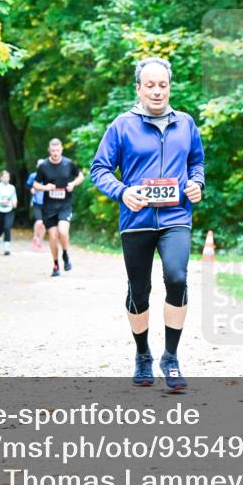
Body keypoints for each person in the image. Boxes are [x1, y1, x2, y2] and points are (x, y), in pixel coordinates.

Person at [90, 57, 205, 391]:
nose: (157, 91)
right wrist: (122, 192)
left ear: (170, 87)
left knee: (178, 277)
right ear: (138, 89)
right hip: (136, 220)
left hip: (176, 217)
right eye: (150, 85)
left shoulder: (185, 123)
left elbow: (196, 161)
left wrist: (197, 184)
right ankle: (142, 354)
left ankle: (171, 357)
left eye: (163, 85)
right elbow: (100, 169)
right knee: (139, 290)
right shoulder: (121, 126)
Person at [33, 139, 85, 276]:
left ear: (61, 149)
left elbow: (81, 176)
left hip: (64, 205)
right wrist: (45, 187)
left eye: (57, 150)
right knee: (53, 235)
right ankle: (55, 264)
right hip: (49, 207)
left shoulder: (68, 163)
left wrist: (73, 184)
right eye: (53, 151)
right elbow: (35, 185)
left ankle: (66, 255)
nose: (55, 153)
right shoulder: (43, 166)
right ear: (49, 151)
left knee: (62, 231)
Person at [0, 170, 18, 255]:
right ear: (0, 178)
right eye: (4, 177)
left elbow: (14, 197)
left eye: (8, 177)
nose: (6, 178)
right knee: (0, 229)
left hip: (9, 210)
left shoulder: (12, 187)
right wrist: (1, 202)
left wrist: (14, 202)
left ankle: (6, 248)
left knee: (7, 227)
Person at [26, 159, 46, 251]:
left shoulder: (49, 176)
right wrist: (31, 189)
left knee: (44, 225)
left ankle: (40, 242)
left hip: (47, 203)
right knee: (39, 222)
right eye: (40, 165)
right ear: (37, 166)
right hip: (36, 202)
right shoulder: (33, 176)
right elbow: (28, 185)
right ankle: (35, 237)